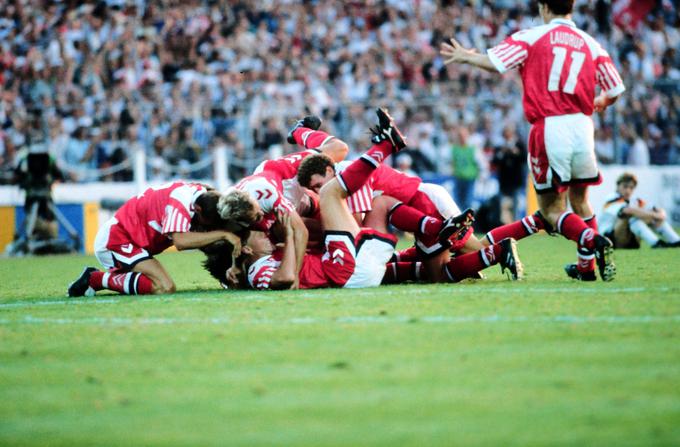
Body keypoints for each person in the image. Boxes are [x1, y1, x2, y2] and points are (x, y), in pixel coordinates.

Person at [441, 0, 625, 282]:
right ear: (571, 8)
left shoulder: (533, 36)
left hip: (550, 126)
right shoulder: (590, 43)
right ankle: (586, 268)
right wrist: (601, 100)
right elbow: (615, 87)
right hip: (583, 125)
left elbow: (496, 62)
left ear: (543, 7)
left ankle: (591, 239)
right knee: (580, 200)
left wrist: (467, 56)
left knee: (551, 210)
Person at [67, 183, 257, 297]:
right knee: (164, 287)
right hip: (116, 241)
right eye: (207, 223)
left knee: (212, 240)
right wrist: (225, 235)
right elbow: (181, 242)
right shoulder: (179, 205)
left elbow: (205, 235)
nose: (208, 228)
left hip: (134, 243)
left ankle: (226, 278)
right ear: (198, 211)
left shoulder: (200, 192)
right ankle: (96, 279)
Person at [597, 173, 679, 249]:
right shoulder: (611, 198)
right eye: (625, 186)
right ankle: (656, 243)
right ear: (618, 186)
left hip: (630, 239)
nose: (628, 190)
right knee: (631, 216)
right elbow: (628, 211)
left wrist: (660, 214)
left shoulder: (635, 200)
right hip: (611, 240)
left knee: (646, 215)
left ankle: (675, 240)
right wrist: (655, 215)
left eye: (631, 188)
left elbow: (656, 209)